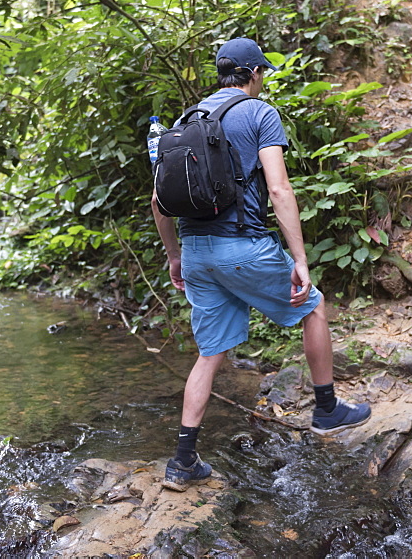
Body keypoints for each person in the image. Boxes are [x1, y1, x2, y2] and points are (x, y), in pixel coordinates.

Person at [151, 37, 372, 492]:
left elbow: (158, 199)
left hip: (196, 253)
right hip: (241, 246)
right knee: (312, 305)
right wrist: (300, 259)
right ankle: (327, 410)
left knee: (210, 354)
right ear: (253, 74)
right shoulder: (259, 112)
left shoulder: (185, 120)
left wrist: (175, 256)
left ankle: (182, 461)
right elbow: (279, 191)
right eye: (262, 73)